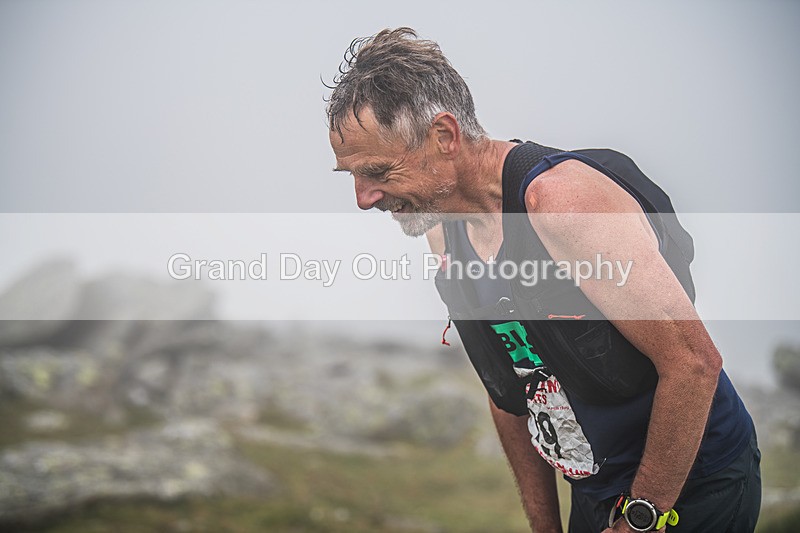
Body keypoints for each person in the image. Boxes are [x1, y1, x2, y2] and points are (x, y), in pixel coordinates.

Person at [326, 28, 761, 532]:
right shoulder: (445, 232)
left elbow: (692, 362)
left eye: (378, 171)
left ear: (444, 136)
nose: (363, 198)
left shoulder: (560, 205)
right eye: (352, 176)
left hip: (692, 488)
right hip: (596, 494)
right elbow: (509, 388)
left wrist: (639, 519)